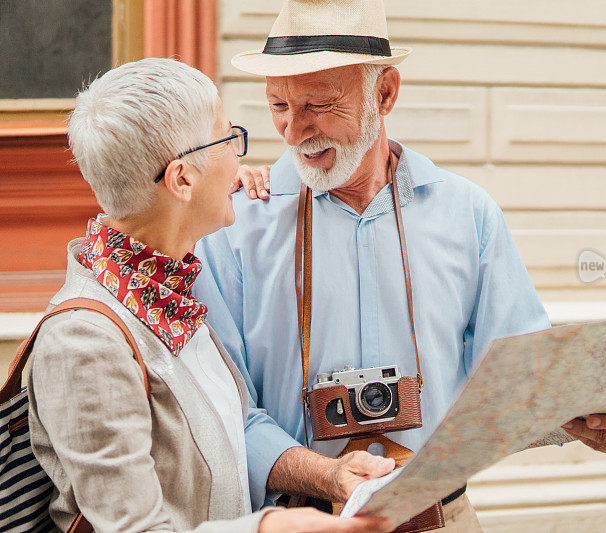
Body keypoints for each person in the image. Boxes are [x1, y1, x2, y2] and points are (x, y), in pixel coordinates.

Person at [195, 0, 606, 529]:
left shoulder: (467, 214)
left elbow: (515, 383)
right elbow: (223, 414)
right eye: (278, 106)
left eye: (318, 104)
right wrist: (325, 476)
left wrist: (582, 414)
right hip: (298, 523)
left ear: (384, 94)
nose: (293, 132)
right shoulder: (234, 226)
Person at [26, 57, 391, 533]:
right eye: (228, 138)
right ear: (182, 179)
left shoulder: (168, 292)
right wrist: (266, 529)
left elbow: (231, 443)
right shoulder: (84, 343)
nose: (243, 159)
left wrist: (330, 475)